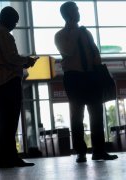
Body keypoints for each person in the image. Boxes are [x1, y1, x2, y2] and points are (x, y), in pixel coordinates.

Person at [54, 1, 118, 163]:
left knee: (96, 114)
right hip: (74, 77)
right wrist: (74, 29)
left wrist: (98, 68)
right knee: (77, 115)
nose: (78, 12)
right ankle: (80, 152)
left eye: (77, 9)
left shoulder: (86, 32)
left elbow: (94, 52)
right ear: (67, 14)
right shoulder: (60, 35)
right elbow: (68, 50)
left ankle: (99, 151)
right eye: (75, 10)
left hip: (91, 76)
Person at [0, 6, 38, 168]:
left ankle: (2, 158)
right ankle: (12, 157)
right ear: (6, 18)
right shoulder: (4, 34)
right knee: (10, 122)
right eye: (14, 21)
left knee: (0, 123)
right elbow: (11, 57)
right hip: (8, 81)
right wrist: (27, 61)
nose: (15, 25)